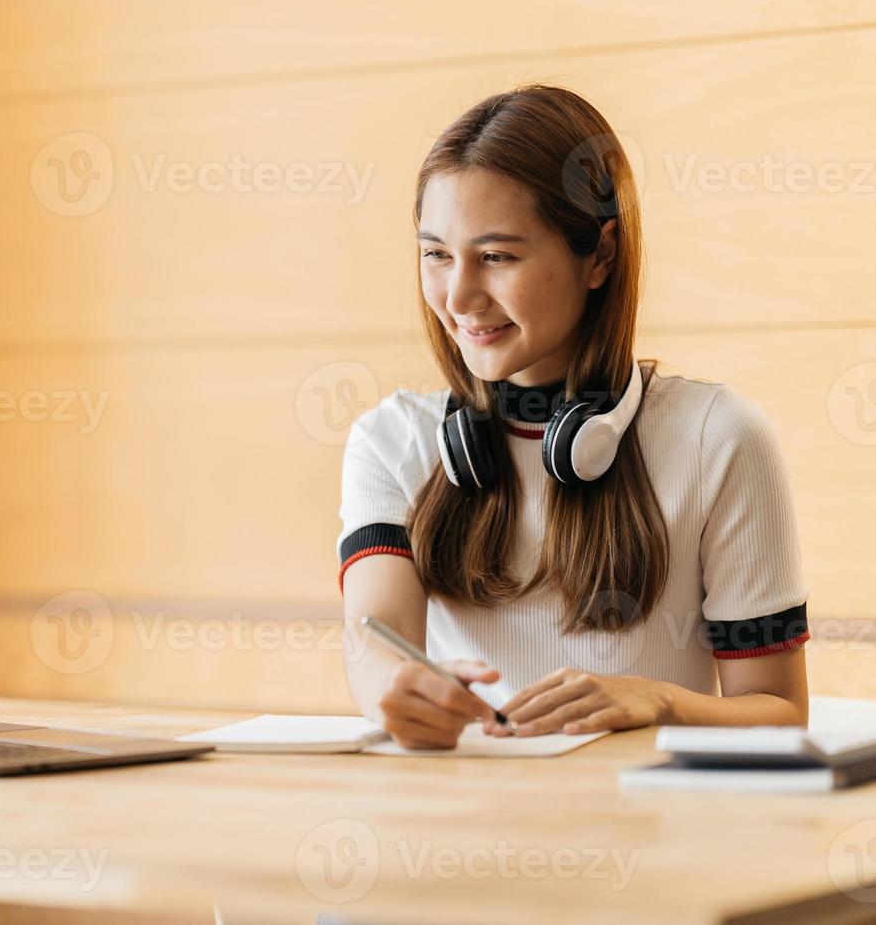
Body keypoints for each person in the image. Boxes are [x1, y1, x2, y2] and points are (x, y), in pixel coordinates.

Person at [339, 84, 809, 750]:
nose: (460, 297)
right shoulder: (392, 440)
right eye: (437, 254)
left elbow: (779, 709)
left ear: (601, 256)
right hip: (456, 833)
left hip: (650, 834)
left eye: (497, 256)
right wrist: (392, 686)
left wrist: (657, 700)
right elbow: (372, 637)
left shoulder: (720, 437)